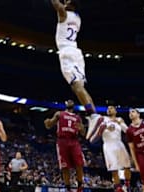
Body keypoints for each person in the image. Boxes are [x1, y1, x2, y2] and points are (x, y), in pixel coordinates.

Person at [50, 0, 103, 139]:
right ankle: (94, 116)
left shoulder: (64, 14)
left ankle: (93, 115)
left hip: (67, 52)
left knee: (77, 87)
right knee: (79, 88)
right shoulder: (77, 18)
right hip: (76, 53)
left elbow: (56, 5)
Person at [44, 99, 86, 192]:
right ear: (65, 105)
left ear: (74, 105)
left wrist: (82, 129)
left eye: (72, 101)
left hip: (74, 141)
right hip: (62, 141)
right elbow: (49, 125)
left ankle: (79, 189)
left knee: (80, 164)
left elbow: (83, 133)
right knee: (65, 168)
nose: (70, 101)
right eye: (68, 101)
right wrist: (48, 122)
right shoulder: (59, 114)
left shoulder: (77, 117)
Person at [94, 105, 132, 192]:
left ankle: (126, 186)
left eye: (111, 108)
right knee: (114, 171)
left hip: (119, 143)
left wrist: (121, 124)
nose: (109, 109)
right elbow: (98, 134)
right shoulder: (103, 120)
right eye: (108, 108)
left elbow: (127, 131)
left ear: (115, 111)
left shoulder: (119, 119)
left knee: (128, 166)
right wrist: (103, 127)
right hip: (108, 145)